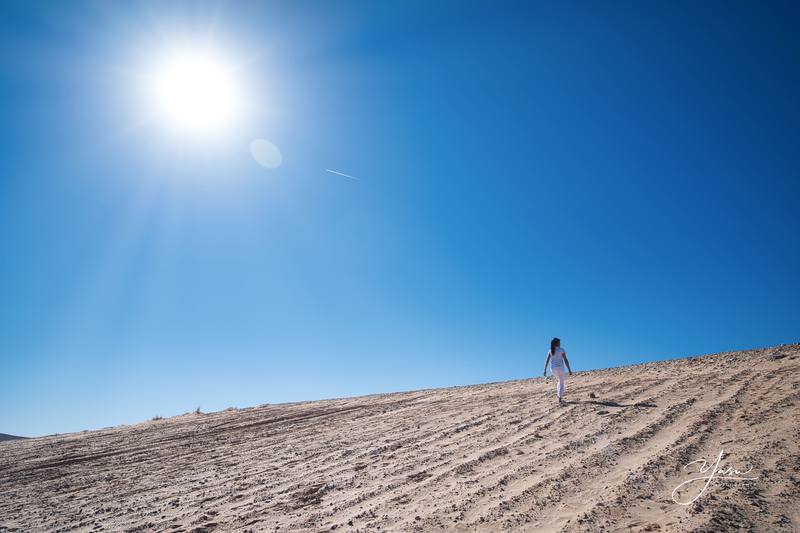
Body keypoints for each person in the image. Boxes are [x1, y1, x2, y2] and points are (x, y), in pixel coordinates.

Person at [543, 337, 572, 406]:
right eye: (559, 342)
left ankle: (559, 396)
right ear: (556, 343)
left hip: (553, 369)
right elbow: (565, 360)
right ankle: (560, 398)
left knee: (559, 381)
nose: (560, 344)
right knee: (561, 382)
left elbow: (547, 360)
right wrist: (569, 369)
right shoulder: (561, 350)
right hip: (560, 368)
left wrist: (544, 370)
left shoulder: (550, 350)